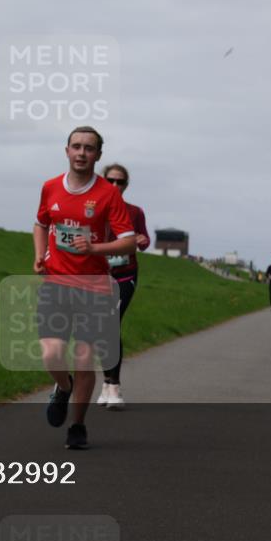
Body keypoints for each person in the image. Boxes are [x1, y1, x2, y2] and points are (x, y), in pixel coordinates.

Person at [33, 126, 136, 449]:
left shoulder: (108, 194)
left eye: (88, 148)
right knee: (51, 353)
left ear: (98, 155)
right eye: (76, 146)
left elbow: (129, 242)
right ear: (67, 151)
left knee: (83, 358)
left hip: (94, 287)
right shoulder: (50, 187)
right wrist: (39, 255)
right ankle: (63, 388)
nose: (81, 153)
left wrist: (94, 249)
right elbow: (41, 223)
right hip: (55, 282)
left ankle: (77, 426)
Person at [96, 163, 150, 410]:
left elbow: (144, 240)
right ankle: (106, 384)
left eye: (120, 181)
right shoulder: (93, 208)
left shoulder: (135, 211)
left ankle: (114, 386)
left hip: (125, 275)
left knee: (111, 324)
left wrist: (141, 239)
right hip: (99, 275)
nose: (115, 185)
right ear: (103, 180)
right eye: (111, 180)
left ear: (126, 185)